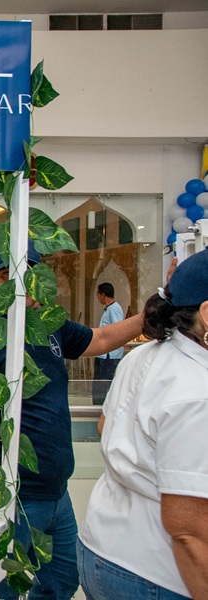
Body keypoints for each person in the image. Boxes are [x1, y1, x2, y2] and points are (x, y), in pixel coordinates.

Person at [0, 241, 148, 600]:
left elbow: (100, 338)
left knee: (63, 582)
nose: (21, 284)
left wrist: (150, 319)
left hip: (56, 493)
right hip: (14, 496)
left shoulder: (45, 324)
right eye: (9, 275)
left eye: (30, 273)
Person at [78, 249, 208, 600]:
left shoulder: (143, 357)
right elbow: (189, 533)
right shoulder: (196, 391)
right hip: (158, 572)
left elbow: (106, 426)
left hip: (102, 548)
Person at [91, 282, 124, 405]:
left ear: (103, 295)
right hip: (103, 354)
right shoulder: (108, 310)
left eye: (98, 294)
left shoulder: (114, 309)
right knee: (98, 384)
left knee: (102, 384)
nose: (98, 297)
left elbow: (117, 330)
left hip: (109, 355)